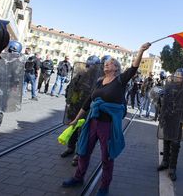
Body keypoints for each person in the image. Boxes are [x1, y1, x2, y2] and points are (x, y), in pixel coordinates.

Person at [62, 43, 151, 196]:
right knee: (83, 151)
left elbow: (133, 69)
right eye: (105, 63)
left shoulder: (120, 81)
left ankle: (104, 187)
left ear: (116, 68)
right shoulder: (98, 82)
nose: (106, 65)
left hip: (107, 125)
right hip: (92, 121)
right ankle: (78, 177)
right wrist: (76, 119)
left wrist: (141, 51)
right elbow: (88, 102)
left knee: (107, 157)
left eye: (110, 63)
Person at [61, 55, 104, 166]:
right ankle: (70, 147)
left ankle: (78, 154)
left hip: (87, 109)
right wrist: (69, 100)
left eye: (91, 66)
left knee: (83, 132)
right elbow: (70, 88)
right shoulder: (80, 74)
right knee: (73, 129)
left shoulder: (99, 79)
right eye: (88, 65)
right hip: (76, 107)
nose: (89, 68)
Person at [157, 68, 183, 181]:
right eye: (178, 75)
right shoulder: (169, 87)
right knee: (166, 139)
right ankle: (165, 161)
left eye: (182, 76)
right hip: (168, 117)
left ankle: (172, 167)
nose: (179, 77)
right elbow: (162, 101)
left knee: (175, 143)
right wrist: (160, 98)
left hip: (179, 119)